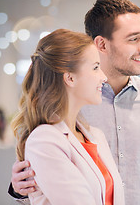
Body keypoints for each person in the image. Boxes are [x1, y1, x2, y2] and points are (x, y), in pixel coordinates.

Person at [10, 0, 140, 205]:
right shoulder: (66, 106)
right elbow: (38, 184)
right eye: (133, 38)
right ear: (102, 44)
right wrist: (20, 189)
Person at [11, 28, 124, 205]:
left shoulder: (95, 136)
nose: (103, 77)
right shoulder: (44, 140)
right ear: (70, 78)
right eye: (95, 68)